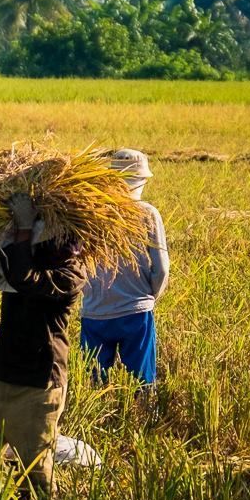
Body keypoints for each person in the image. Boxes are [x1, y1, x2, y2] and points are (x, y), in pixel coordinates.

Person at [0, 191, 84, 500]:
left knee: (35, 469)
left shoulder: (70, 275)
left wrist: (22, 228)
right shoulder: (27, 261)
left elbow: (24, 278)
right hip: (1, 375)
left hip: (39, 384)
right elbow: (6, 273)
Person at [78, 149, 168, 385]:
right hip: (136, 312)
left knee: (93, 383)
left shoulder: (90, 214)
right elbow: (162, 269)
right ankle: (144, 419)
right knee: (142, 384)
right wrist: (148, 297)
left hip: (94, 311)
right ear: (141, 180)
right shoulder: (148, 214)